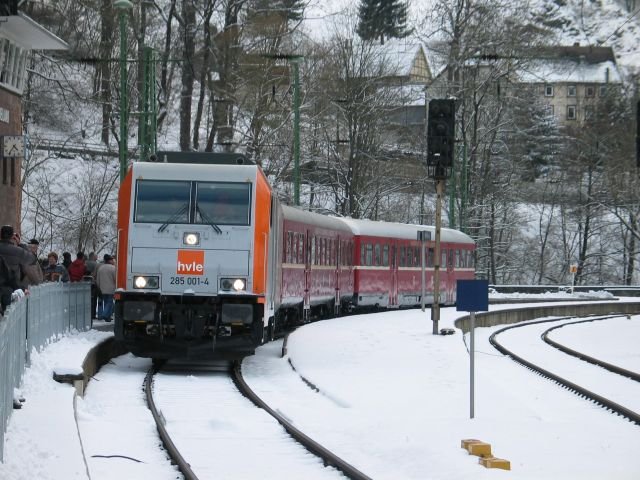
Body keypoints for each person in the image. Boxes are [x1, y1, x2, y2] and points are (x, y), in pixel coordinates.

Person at [0, 225, 39, 314]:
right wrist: (20, 244)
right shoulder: (17, 251)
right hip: (12, 288)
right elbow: (32, 260)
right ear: (12, 236)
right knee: (9, 317)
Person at [95, 254, 116, 321]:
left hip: (102, 289)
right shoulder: (113, 268)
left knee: (104, 302)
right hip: (111, 289)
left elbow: (97, 279)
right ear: (109, 260)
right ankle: (105, 314)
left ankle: (106, 317)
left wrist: (99, 287)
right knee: (109, 303)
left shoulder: (100, 268)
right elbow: (115, 279)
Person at [85, 252, 99, 319]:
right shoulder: (95, 264)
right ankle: (92, 314)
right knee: (93, 300)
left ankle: (86, 313)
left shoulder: (85, 263)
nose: (97, 257)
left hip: (84, 283)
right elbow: (96, 274)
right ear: (93, 257)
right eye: (96, 256)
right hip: (93, 283)